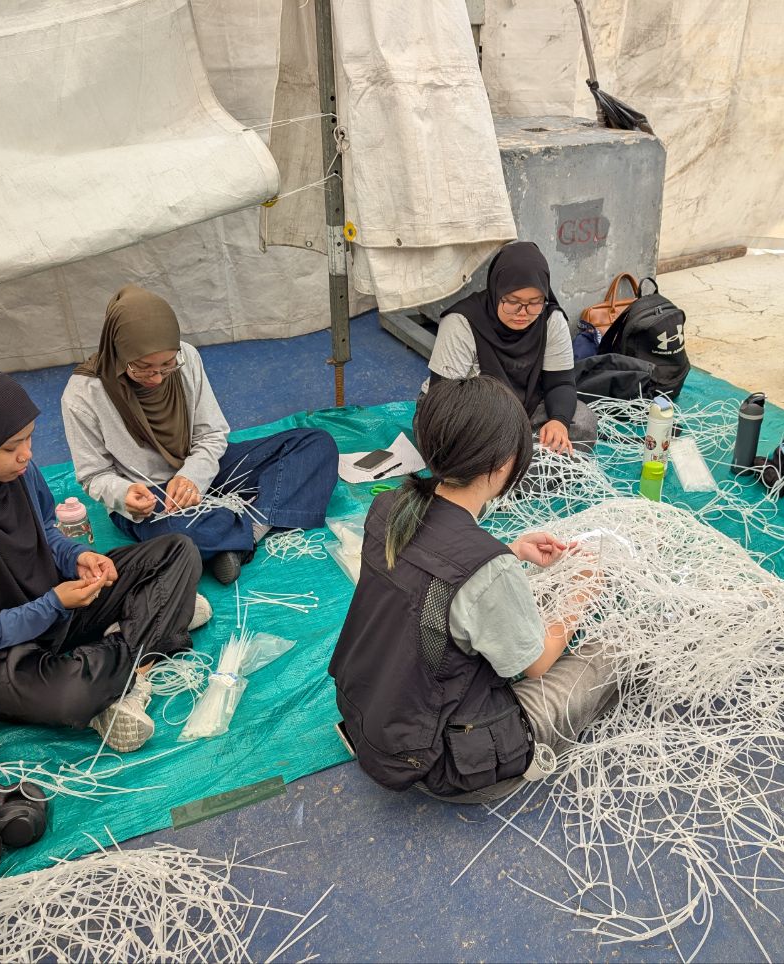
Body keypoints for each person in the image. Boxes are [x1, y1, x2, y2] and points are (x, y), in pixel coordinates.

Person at [0, 365, 203, 752]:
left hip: (50, 604)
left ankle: (128, 659)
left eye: (29, 438)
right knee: (72, 697)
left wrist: (77, 556)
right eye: (10, 447)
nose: (27, 454)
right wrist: (51, 605)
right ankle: (153, 628)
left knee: (176, 551)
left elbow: (45, 530)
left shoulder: (18, 472)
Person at [330, 375, 613, 803]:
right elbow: (536, 664)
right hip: (441, 760)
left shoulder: (389, 505)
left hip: (367, 718)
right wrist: (580, 595)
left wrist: (509, 550)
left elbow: (431, 571)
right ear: (503, 464)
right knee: (607, 654)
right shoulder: (489, 570)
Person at [62, 284, 339, 585]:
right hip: (150, 496)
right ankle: (256, 515)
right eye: (143, 368)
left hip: (203, 469)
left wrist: (192, 477)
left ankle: (244, 533)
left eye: (167, 365)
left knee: (316, 445)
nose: (157, 378)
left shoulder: (187, 357)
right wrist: (123, 494)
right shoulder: (83, 395)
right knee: (180, 534)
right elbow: (94, 474)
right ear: (118, 352)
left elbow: (212, 434)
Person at [421, 241, 597, 453]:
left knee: (583, 422)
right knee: (444, 440)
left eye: (535, 302)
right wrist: (493, 430)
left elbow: (560, 383)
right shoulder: (462, 321)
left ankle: (509, 458)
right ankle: (516, 456)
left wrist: (559, 421)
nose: (523, 312)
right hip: (468, 412)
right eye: (513, 301)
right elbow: (443, 399)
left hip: (525, 409)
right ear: (497, 291)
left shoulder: (550, 319)